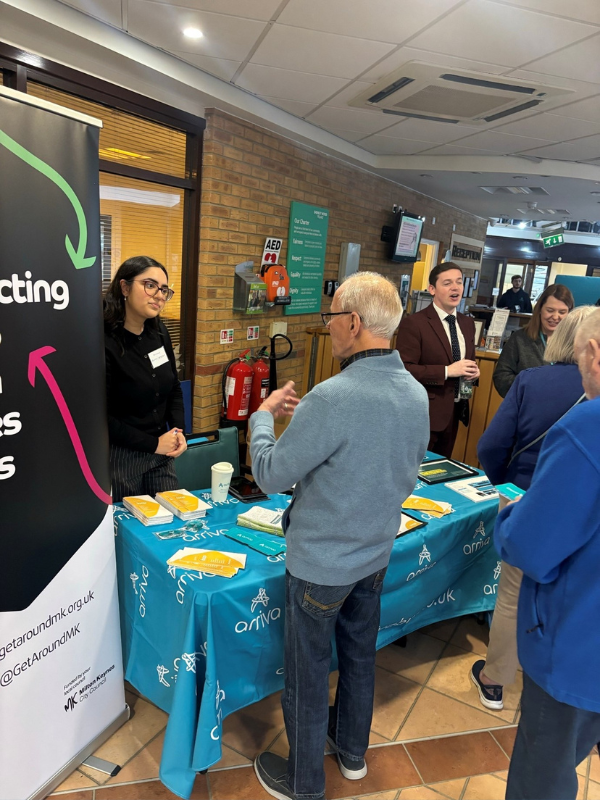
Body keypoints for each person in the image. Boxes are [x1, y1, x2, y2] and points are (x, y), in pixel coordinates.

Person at [249, 272, 429, 800]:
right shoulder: (414, 392)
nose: (328, 328)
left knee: (307, 676)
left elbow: (270, 475)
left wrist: (263, 417)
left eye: (330, 318)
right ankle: (351, 754)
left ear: (352, 322)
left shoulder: (334, 396)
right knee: (358, 657)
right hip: (375, 554)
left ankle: (305, 784)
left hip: (321, 566)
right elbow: (390, 467)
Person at [494, 307, 600, 800]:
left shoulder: (587, 426)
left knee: (542, 776)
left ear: (593, 354)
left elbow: (530, 548)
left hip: (577, 643)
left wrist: (508, 516)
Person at [470, 306, 595, 713]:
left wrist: (503, 482)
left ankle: (495, 681)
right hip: (586, 515)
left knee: (512, 594)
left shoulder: (532, 381)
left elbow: (491, 445)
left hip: (525, 496)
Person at [104, 255, 187, 502]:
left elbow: (173, 388)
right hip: (120, 458)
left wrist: (178, 430)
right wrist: (153, 444)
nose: (159, 295)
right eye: (150, 285)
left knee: (173, 523)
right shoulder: (102, 341)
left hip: (162, 453)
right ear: (125, 287)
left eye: (164, 289)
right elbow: (99, 417)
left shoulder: (159, 333)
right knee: (127, 533)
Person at [396, 262, 479, 458]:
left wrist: (474, 373)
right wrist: (447, 371)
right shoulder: (414, 324)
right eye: (447, 283)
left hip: (456, 411)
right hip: (424, 414)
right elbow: (404, 370)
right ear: (432, 289)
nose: (455, 288)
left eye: (459, 282)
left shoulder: (467, 324)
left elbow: (467, 362)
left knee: (441, 471)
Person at [493, 283, 573, 398]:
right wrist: (531, 385)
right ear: (540, 309)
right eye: (550, 310)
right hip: (525, 409)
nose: (555, 317)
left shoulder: (575, 343)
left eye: (562, 312)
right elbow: (501, 377)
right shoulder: (519, 338)